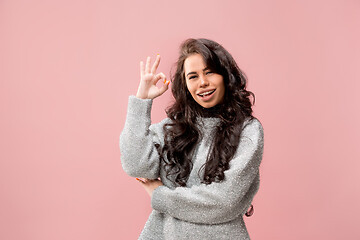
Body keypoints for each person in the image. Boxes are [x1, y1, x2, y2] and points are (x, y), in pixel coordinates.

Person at [119, 38, 264, 240]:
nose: (202, 82)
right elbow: (136, 165)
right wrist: (142, 100)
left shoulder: (248, 131)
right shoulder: (172, 128)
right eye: (193, 76)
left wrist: (161, 196)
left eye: (209, 72)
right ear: (185, 84)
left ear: (225, 75)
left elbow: (224, 201)